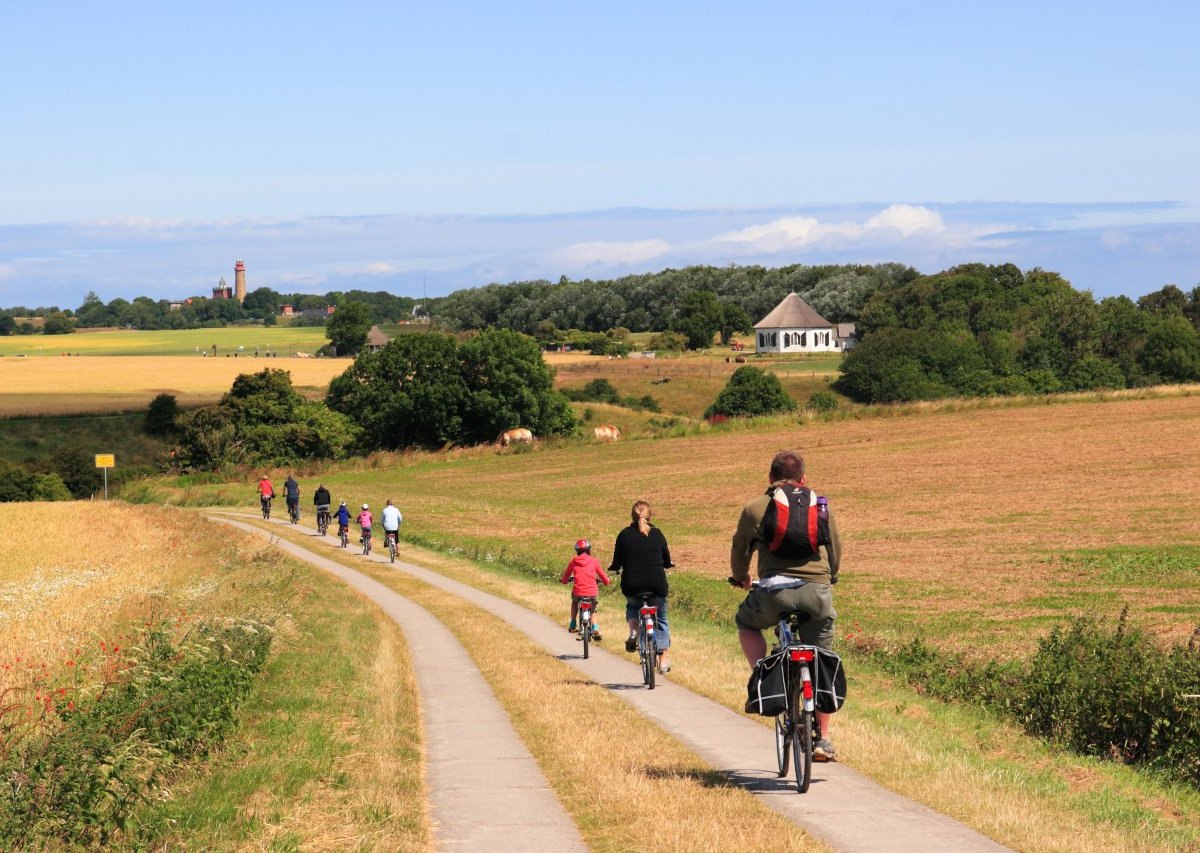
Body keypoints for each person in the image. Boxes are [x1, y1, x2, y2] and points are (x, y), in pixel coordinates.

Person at [731, 450, 841, 762]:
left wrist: (741, 577)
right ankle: (824, 739)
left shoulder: (755, 507)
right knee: (821, 658)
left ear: (770, 478)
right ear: (804, 479)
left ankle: (763, 679)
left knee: (747, 622)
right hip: (817, 593)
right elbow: (835, 544)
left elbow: (740, 547)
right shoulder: (819, 505)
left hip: (773, 594)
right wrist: (830, 575)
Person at [609, 500, 674, 673]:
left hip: (632, 584)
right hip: (656, 584)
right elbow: (666, 559)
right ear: (650, 515)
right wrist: (667, 564)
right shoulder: (658, 534)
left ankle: (634, 631)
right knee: (660, 617)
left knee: (633, 605)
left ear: (632, 516)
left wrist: (614, 568)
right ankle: (664, 658)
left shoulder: (624, 535)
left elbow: (617, 561)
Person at [560, 538, 610, 639]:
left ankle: (573, 623)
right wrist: (606, 581)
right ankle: (595, 627)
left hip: (578, 592)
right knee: (593, 609)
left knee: (574, 602)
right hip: (592, 592)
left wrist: (564, 581)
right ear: (588, 550)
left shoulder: (574, 561)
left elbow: (565, 577)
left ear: (577, 551)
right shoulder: (593, 561)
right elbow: (604, 578)